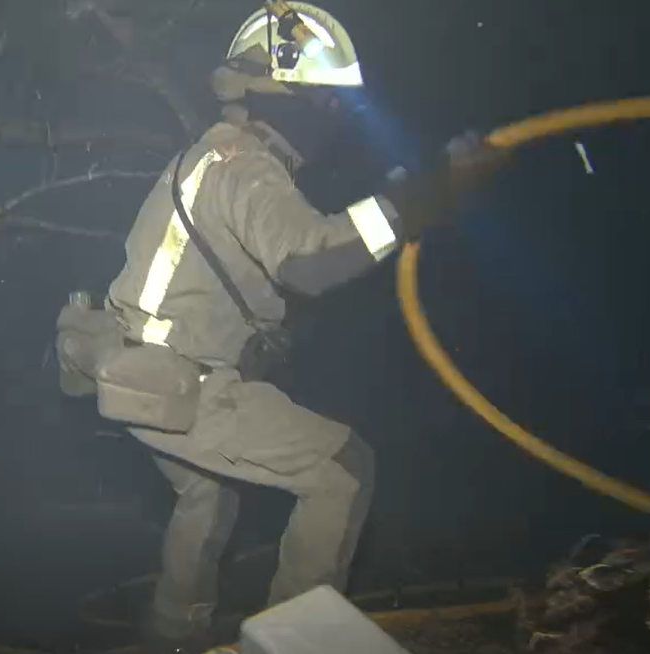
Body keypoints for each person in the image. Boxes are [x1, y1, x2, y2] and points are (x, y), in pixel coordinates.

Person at [60, 3, 505, 651]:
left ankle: (171, 634)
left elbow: (213, 276)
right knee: (342, 469)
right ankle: (295, 643)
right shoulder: (246, 165)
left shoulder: (211, 154)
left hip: (130, 370)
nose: (338, 118)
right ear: (285, 95)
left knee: (206, 494)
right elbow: (312, 261)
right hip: (173, 382)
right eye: (328, 102)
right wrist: (419, 201)